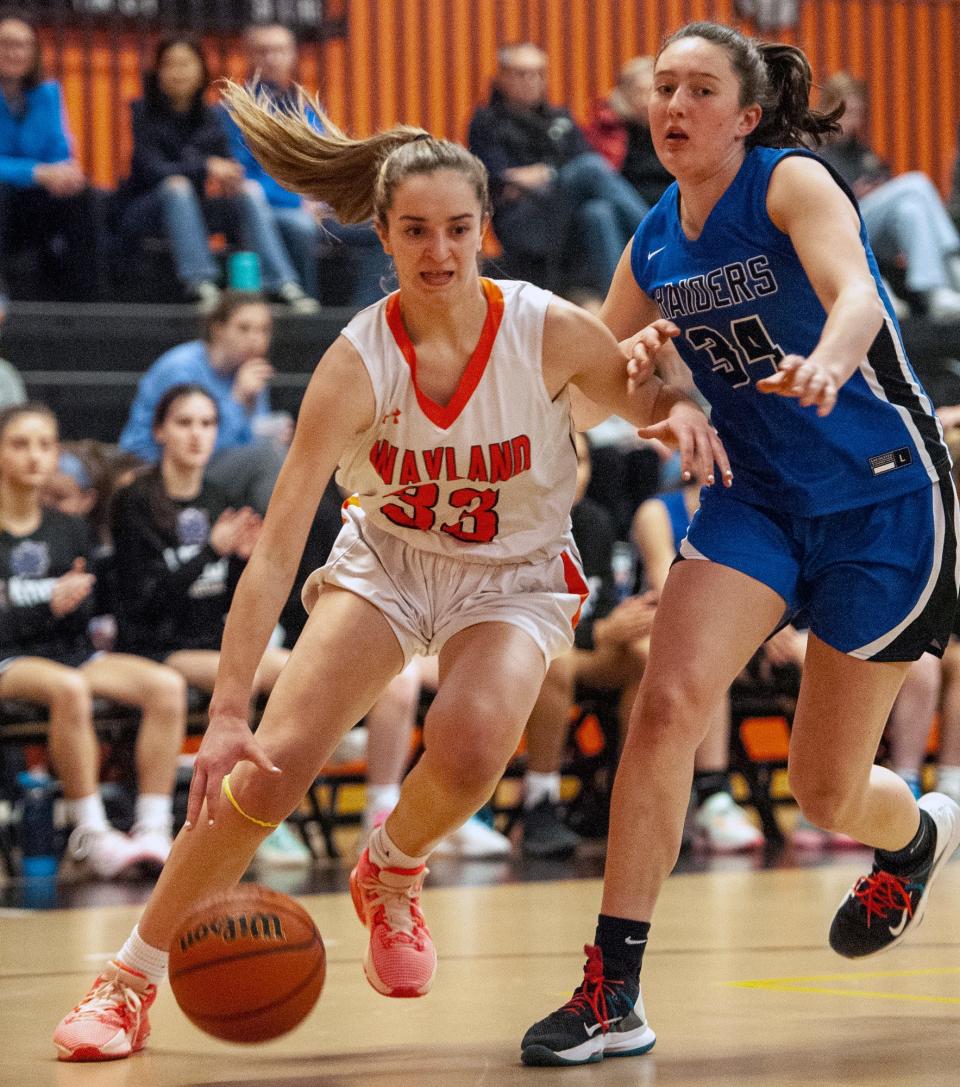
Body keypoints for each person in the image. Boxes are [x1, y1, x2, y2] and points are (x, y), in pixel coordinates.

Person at [51, 81, 728, 1061]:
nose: (439, 251)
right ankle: (126, 978)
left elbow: (652, 393)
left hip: (513, 573)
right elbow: (278, 543)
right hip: (390, 563)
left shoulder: (545, 329)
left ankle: (393, 868)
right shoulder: (356, 362)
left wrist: (674, 390)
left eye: (457, 228)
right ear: (384, 234)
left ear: (486, 229)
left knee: (473, 738)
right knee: (265, 772)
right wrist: (231, 707)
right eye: (416, 230)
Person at [522, 21, 960, 1067]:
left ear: (747, 113)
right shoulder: (655, 239)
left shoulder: (791, 182)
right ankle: (611, 990)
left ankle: (912, 836)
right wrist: (657, 397)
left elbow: (854, 293)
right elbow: (596, 370)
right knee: (668, 702)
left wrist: (829, 361)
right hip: (752, 498)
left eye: (699, 89)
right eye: (662, 88)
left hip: (880, 498)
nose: (673, 106)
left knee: (824, 789)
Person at [0, 403, 188, 879]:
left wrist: (76, 601)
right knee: (69, 688)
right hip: (10, 656)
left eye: (45, 445)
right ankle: (90, 831)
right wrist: (48, 605)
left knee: (165, 686)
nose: (34, 457)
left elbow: (88, 611)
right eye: (20, 444)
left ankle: (152, 826)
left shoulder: (69, 529)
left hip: (68, 651)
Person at [115, 34, 316, 312]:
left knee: (249, 190)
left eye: (186, 64)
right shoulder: (143, 112)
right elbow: (152, 170)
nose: (179, 72)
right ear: (158, 72)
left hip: (196, 210)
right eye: (170, 64)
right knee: (177, 185)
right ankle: (201, 283)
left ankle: (280, 284)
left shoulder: (211, 116)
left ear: (201, 71)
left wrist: (231, 176)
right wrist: (205, 166)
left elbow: (226, 162)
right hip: (150, 208)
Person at [632, 480, 767, 852]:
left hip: (742, 627)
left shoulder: (756, 506)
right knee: (704, 655)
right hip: (666, 624)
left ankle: (829, 797)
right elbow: (667, 586)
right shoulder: (658, 511)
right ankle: (712, 795)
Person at [221, 22, 387, 309]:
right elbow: (243, 176)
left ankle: (362, 312)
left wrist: (327, 198)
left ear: (293, 55)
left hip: (315, 207)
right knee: (300, 227)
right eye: (263, 51)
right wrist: (299, 201)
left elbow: (326, 165)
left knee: (383, 226)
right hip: (268, 210)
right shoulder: (235, 110)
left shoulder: (306, 107)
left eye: (280, 50)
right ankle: (300, 299)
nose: (272, 58)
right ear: (249, 56)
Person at [468, 42, 649, 295]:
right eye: (522, 73)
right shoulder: (487, 122)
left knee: (599, 212)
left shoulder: (558, 117)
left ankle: (619, 307)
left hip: (563, 216)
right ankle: (659, 235)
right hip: (523, 223)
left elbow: (581, 157)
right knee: (589, 169)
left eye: (538, 73)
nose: (531, 81)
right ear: (502, 77)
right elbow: (493, 178)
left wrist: (543, 175)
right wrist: (552, 174)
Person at [118, 292, 285, 516]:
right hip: (153, 466)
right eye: (244, 328)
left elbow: (247, 440)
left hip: (209, 466)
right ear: (217, 329)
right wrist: (237, 399)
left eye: (263, 330)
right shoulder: (181, 368)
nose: (256, 339)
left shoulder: (249, 373)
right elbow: (190, 441)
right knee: (266, 458)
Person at [818, 72, 960, 321]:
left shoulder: (862, 152)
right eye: (848, 111)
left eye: (859, 112)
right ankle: (952, 265)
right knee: (917, 183)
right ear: (829, 107)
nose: (855, 120)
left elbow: (888, 187)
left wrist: (878, 192)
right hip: (839, 229)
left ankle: (935, 292)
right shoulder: (813, 148)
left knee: (910, 208)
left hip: (873, 231)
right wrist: (854, 193)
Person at [0, 11, 101, 305]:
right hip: (5, 201)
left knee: (82, 194)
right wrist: (37, 172)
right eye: (6, 44)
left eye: (23, 45)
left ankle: (87, 301)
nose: (14, 52)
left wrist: (65, 173)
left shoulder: (48, 93)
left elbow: (59, 149)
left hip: (33, 203)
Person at [585, 56, 674, 210]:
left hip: (669, 207)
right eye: (639, 92)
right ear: (623, 94)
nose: (646, 100)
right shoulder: (608, 128)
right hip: (625, 210)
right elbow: (602, 180)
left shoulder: (676, 125)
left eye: (654, 92)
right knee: (597, 211)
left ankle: (649, 229)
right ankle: (650, 230)